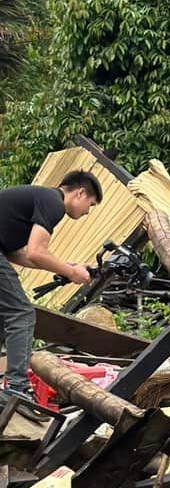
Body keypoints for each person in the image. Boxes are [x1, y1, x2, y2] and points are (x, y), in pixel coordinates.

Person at [0, 171, 103, 400]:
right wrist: (71, 272)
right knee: (22, 314)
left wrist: (67, 267)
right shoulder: (53, 202)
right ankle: (16, 387)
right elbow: (37, 252)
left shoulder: (41, 198)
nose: (87, 212)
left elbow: (20, 255)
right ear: (80, 193)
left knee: (4, 316)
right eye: (91, 204)